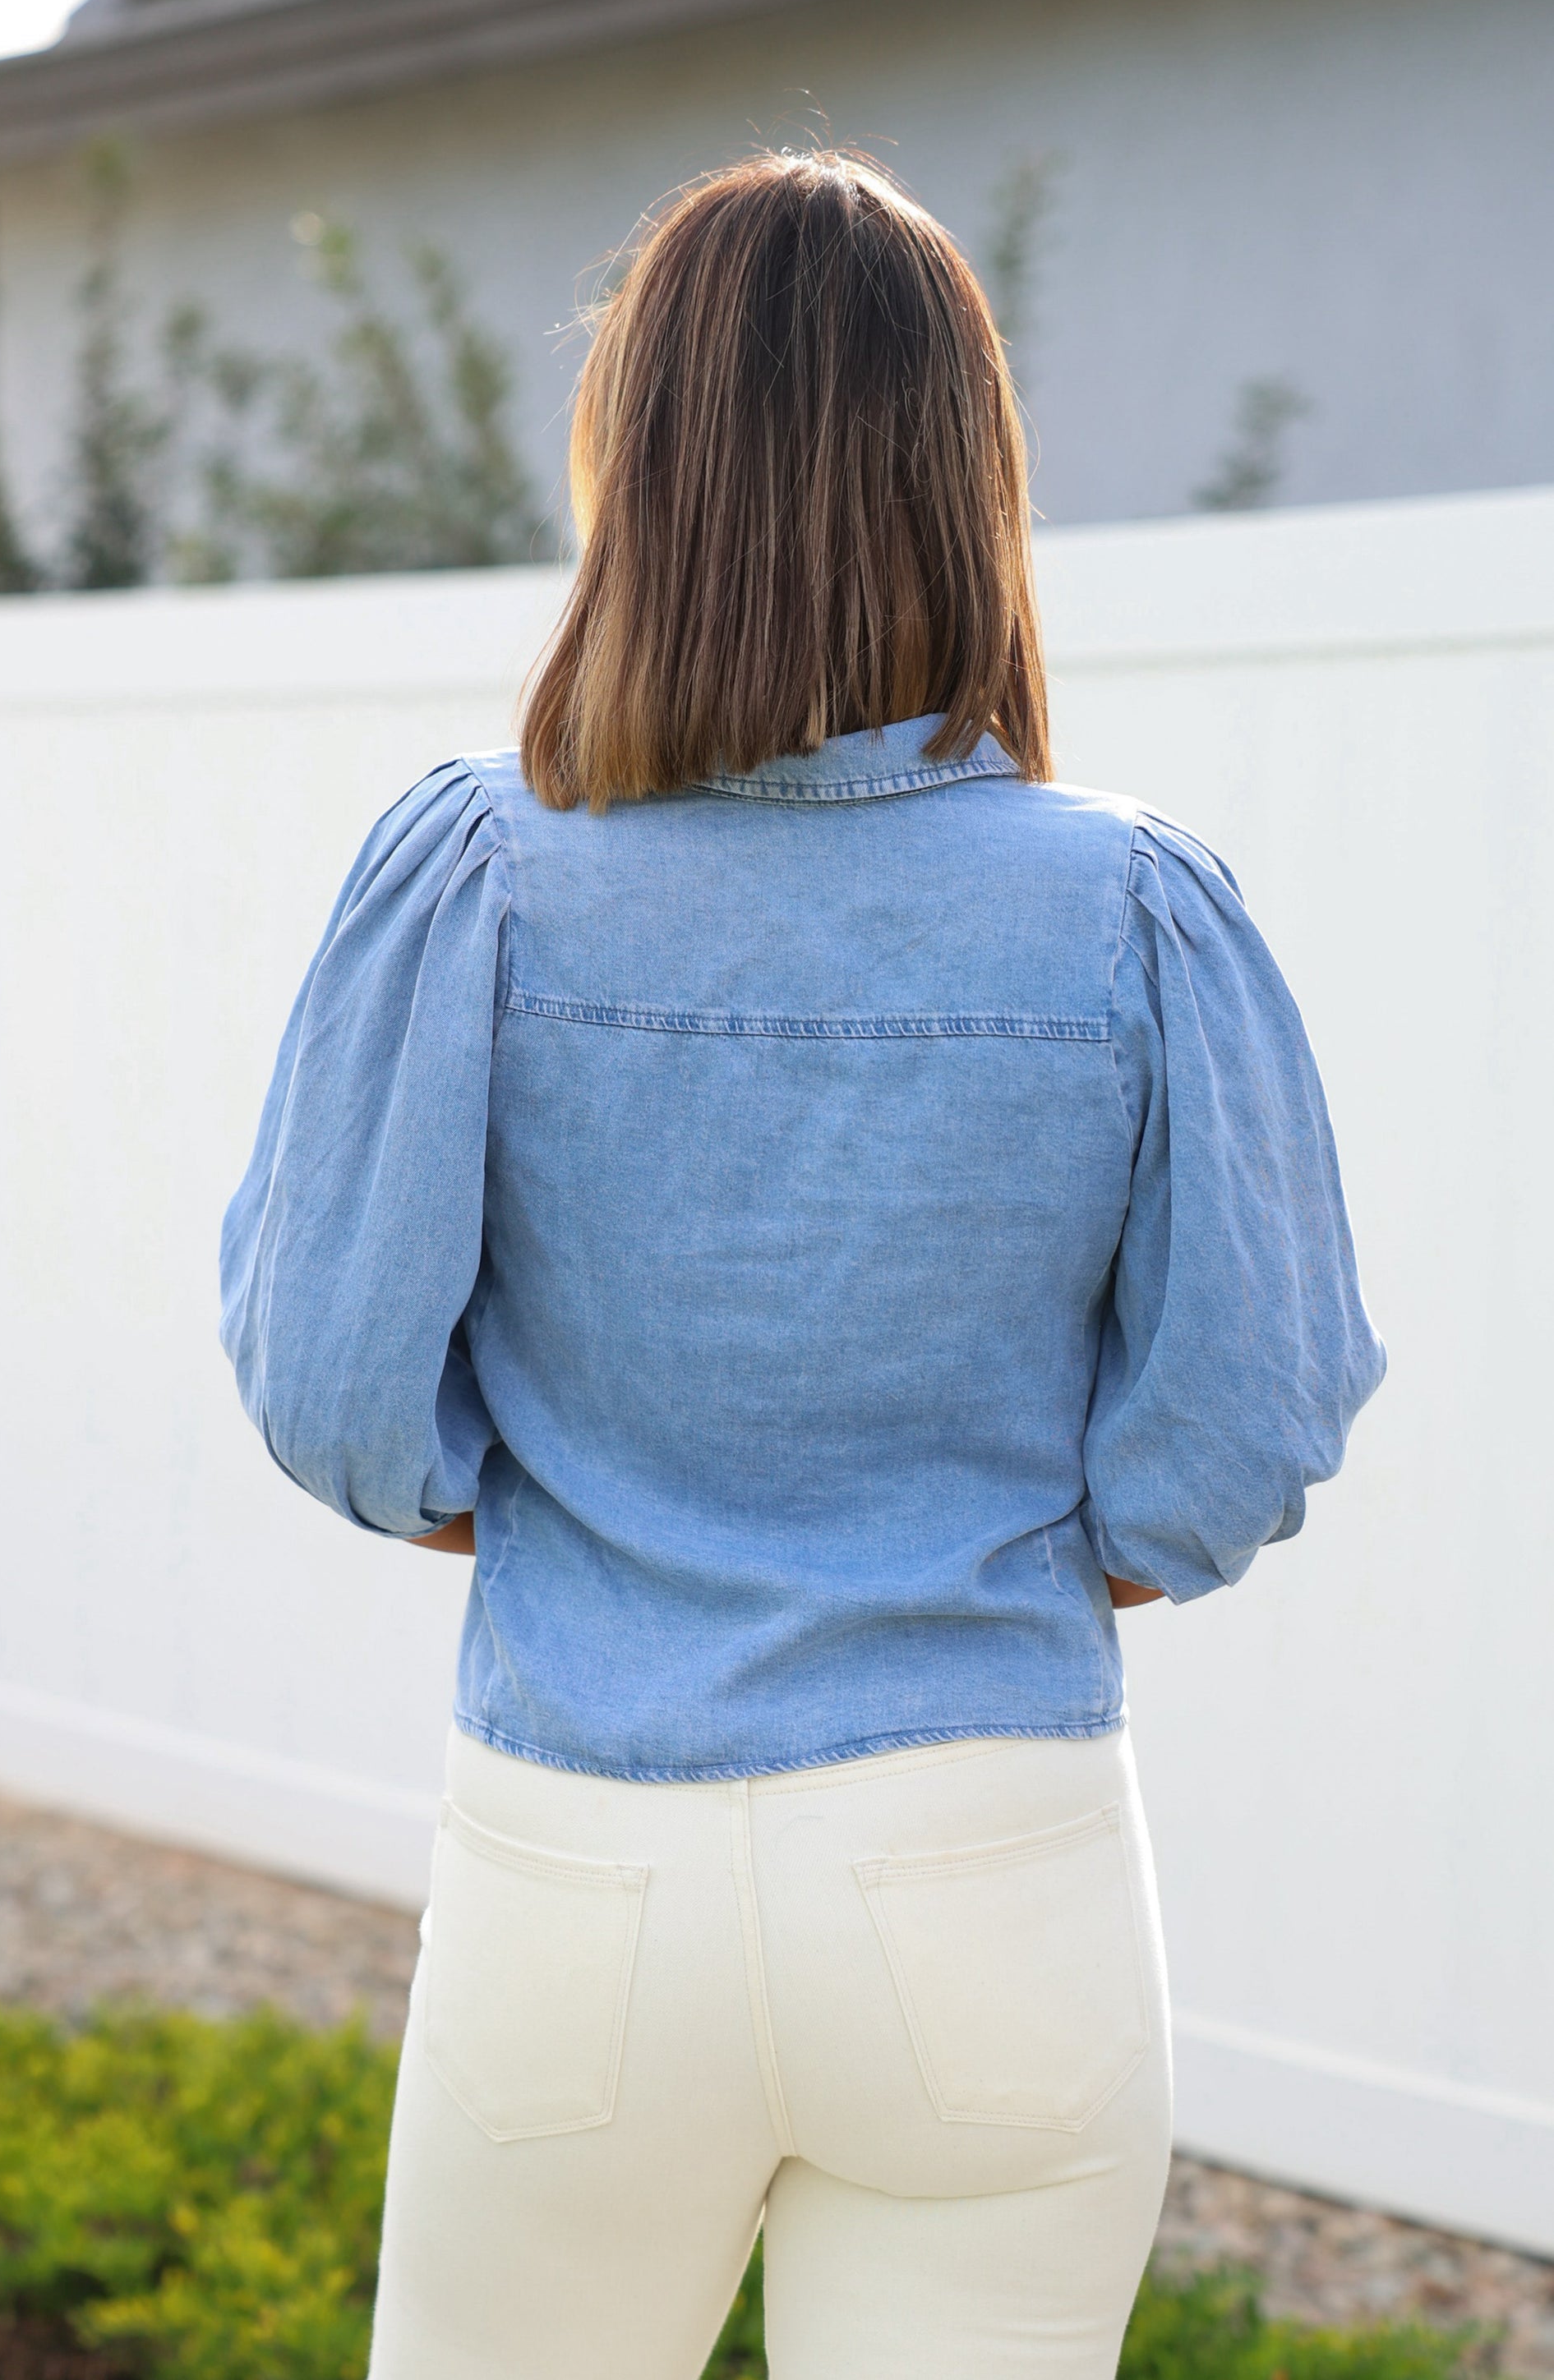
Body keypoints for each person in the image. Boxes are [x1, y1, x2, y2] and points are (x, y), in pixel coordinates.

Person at [220, 152, 1385, 2380]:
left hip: (581, 1852)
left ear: (636, 456)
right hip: (994, 1858)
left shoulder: (471, 870)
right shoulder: (1135, 910)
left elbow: (332, 1387)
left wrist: (571, 1512)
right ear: (967, 479)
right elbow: (1239, 1428)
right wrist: (1021, 1556)